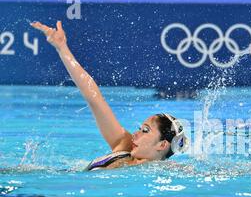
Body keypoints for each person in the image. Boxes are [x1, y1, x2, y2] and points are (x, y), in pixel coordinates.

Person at [31, 21, 188, 171]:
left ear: (162, 145)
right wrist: (62, 48)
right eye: (140, 129)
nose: (135, 134)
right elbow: (94, 99)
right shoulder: (124, 144)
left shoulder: (162, 171)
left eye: (145, 131)